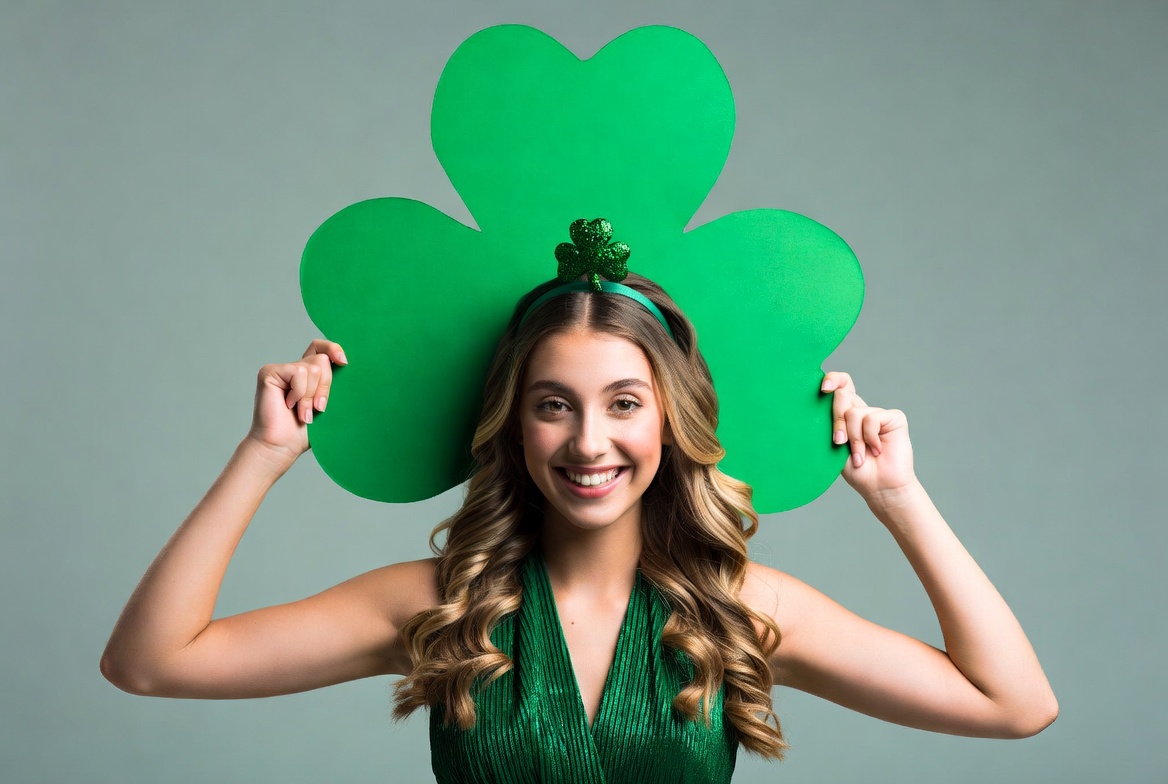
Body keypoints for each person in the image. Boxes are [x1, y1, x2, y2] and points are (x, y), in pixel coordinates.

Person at [101, 271, 1057, 781]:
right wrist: (264, 454)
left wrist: (899, 499)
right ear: (514, 425)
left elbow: (1013, 705)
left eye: (625, 403)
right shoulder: (441, 607)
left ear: (672, 420)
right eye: (554, 404)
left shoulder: (738, 611)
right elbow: (151, 661)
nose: (589, 440)